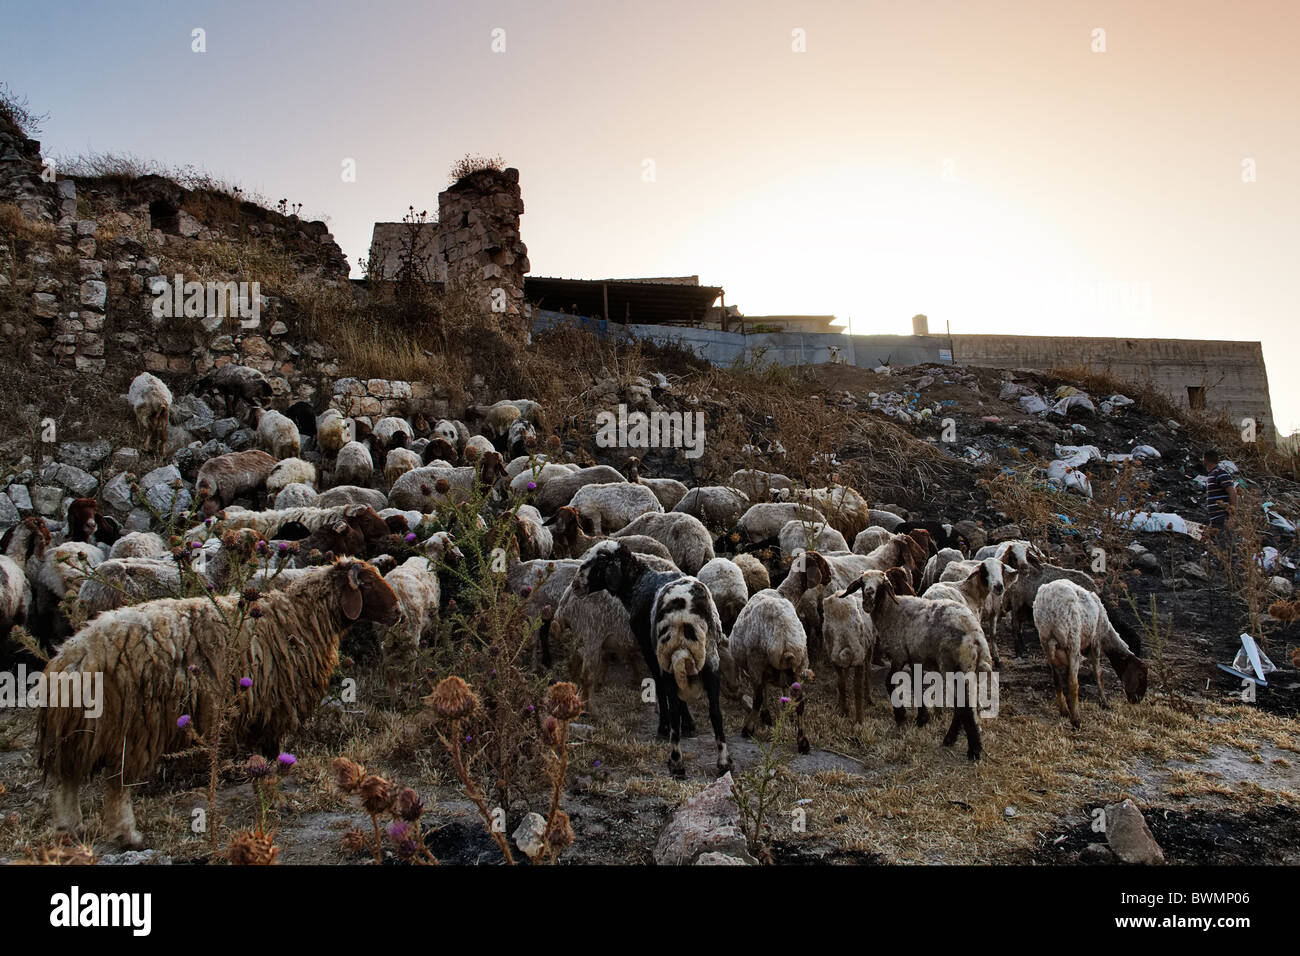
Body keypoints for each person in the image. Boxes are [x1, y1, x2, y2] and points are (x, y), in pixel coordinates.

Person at [1202, 448, 1238, 574]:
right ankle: (1225, 571)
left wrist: (1232, 516)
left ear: (1205, 460)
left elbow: (1232, 492)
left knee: (1227, 545)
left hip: (1223, 517)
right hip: (1216, 518)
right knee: (1220, 544)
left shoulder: (1219, 473)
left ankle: (1232, 574)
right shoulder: (1213, 475)